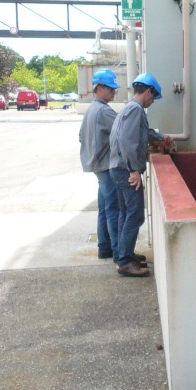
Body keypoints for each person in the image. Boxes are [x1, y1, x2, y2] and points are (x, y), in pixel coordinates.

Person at [109, 72, 172, 278]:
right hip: (125, 171)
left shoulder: (130, 108)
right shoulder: (135, 110)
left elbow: (142, 133)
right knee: (135, 214)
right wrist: (133, 171)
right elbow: (127, 142)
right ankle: (125, 262)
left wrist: (161, 137)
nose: (152, 102)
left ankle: (123, 254)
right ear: (148, 91)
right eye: (153, 98)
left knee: (125, 213)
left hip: (117, 168)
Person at [79, 69, 121, 264]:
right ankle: (119, 253)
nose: (114, 92)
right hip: (105, 167)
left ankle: (104, 248)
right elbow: (125, 130)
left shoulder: (91, 109)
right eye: (111, 89)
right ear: (100, 88)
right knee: (114, 210)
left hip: (97, 166)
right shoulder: (104, 111)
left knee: (104, 209)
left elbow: (81, 136)